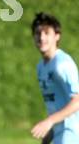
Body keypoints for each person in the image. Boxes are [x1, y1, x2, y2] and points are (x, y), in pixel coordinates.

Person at [30, 12, 79, 144]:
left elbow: (77, 101)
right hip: (59, 134)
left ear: (57, 36)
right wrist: (48, 135)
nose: (41, 38)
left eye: (46, 33)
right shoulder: (41, 67)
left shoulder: (62, 63)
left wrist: (49, 121)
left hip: (72, 133)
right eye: (37, 33)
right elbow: (58, 107)